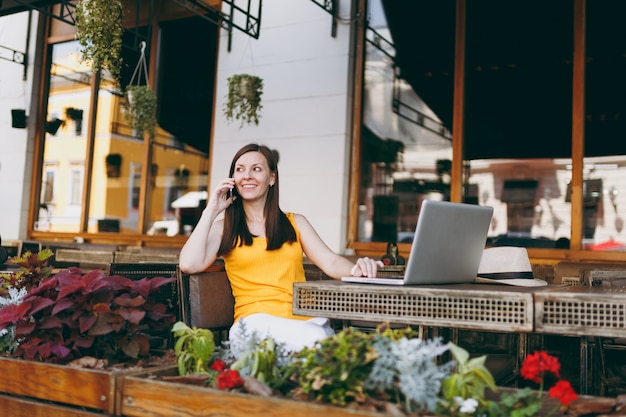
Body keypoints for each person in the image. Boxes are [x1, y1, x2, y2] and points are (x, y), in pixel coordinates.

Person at [179, 143, 382, 355]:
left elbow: (330, 261)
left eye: (256, 169)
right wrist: (211, 210)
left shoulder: (295, 223)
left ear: (272, 178)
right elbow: (188, 263)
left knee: (337, 350)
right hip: (254, 327)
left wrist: (357, 269)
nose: (247, 175)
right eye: (239, 169)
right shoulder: (225, 228)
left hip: (306, 321)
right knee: (322, 344)